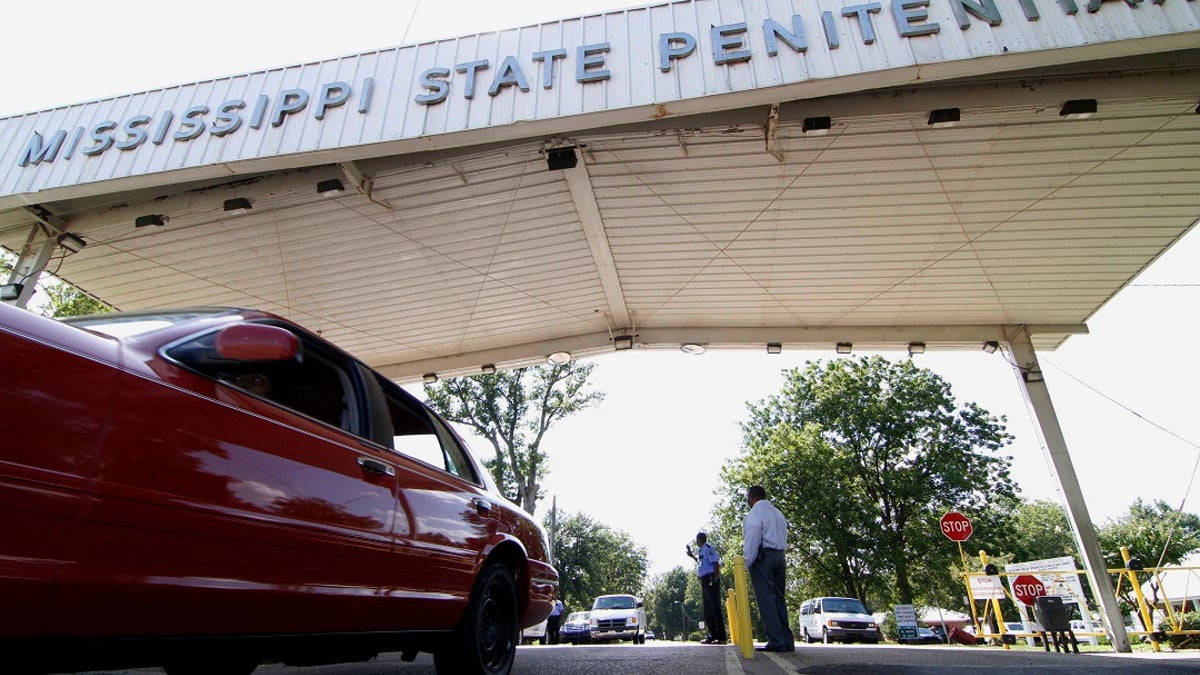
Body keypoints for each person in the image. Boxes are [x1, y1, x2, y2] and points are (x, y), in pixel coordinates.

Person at [743, 485, 794, 652]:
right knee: (779, 598)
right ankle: (787, 641)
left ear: (751, 497)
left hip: (763, 558)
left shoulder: (755, 514)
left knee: (766, 600)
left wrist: (746, 562)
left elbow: (752, 538)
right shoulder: (778, 513)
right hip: (779, 556)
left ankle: (776, 641)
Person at [686, 532, 727, 644]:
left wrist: (716, 579)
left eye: (697, 540)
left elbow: (715, 564)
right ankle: (712, 634)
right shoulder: (701, 551)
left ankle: (721, 636)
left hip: (710, 579)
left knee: (715, 608)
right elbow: (701, 563)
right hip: (704, 580)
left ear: (700, 540)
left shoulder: (709, 548)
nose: (696, 542)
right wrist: (691, 556)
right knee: (708, 609)